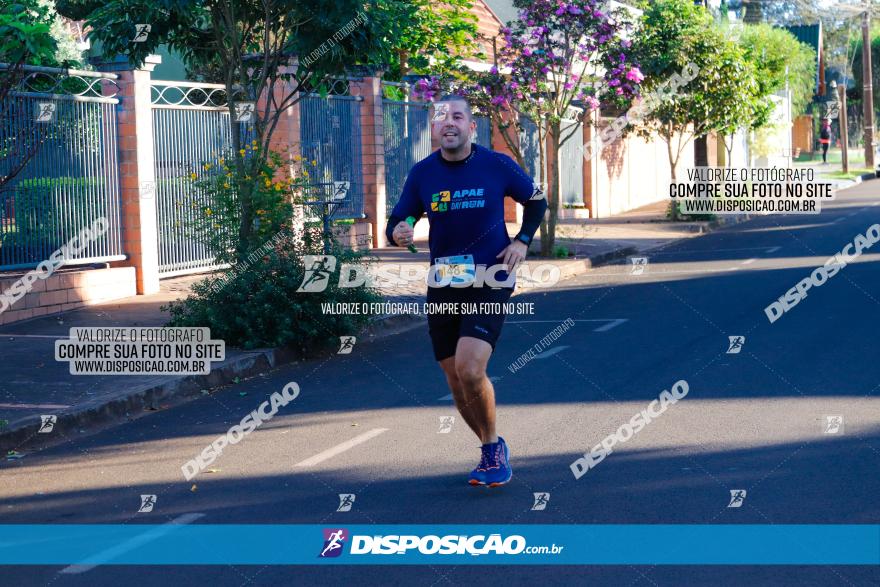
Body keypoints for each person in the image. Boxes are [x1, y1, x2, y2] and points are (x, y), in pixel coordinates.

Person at [385, 95, 547, 487]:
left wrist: (522, 240)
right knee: (455, 379)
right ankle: (492, 446)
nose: (449, 123)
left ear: (472, 126)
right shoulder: (423, 173)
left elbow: (537, 200)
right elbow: (398, 220)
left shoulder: (497, 164)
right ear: (434, 128)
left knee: (470, 368)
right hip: (444, 281)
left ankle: (491, 452)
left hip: (491, 276)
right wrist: (398, 232)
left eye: (458, 116)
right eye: (442, 118)